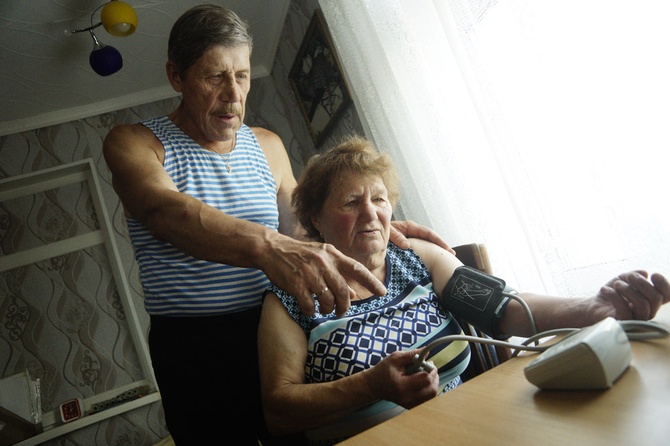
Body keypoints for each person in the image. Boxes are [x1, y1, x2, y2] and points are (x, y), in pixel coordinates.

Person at [102, 4, 451, 445]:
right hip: (194, 347)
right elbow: (164, 213)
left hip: (282, 327)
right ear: (177, 76)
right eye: (215, 76)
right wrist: (269, 247)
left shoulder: (267, 145)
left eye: (242, 76)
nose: (233, 94)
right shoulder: (135, 142)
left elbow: (306, 232)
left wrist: (372, 228)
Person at [257, 135, 670, 445]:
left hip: (462, 429)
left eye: (379, 199)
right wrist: (370, 386)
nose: (371, 213)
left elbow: (504, 308)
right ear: (316, 219)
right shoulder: (289, 297)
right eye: (351, 202)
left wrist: (594, 308)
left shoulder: (417, 257)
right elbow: (279, 410)